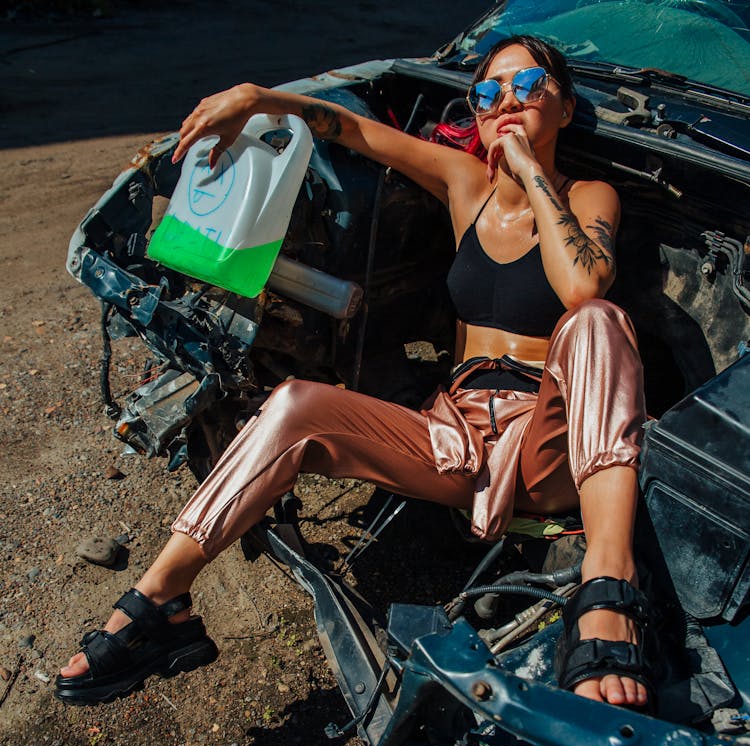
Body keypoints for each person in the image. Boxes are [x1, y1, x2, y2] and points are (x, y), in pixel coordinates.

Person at [57, 35, 652, 710]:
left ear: (566, 108)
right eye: (488, 93)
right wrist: (257, 97)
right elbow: (353, 129)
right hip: (455, 435)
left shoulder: (590, 194)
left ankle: (608, 588)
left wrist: (529, 167)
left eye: (528, 87)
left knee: (597, 323)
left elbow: (582, 287)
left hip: (550, 448)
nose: (504, 102)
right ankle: (160, 603)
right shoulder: (466, 186)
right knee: (295, 403)